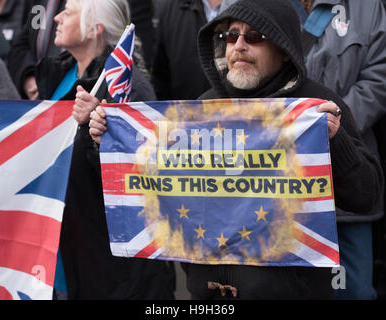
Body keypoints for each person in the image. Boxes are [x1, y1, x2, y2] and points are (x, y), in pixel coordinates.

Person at [90, 0, 383, 299]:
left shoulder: (317, 106)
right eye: (230, 37)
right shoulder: (200, 110)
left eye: (254, 37)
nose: (239, 45)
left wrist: (336, 141)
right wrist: (112, 140)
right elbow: (159, 186)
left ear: (283, 50)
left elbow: (367, 197)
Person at [35, 0, 175, 299]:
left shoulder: (129, 87)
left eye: (68, 13)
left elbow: (142, 176)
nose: (56, 17)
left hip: (113, 269)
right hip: (64, 250)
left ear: (95, 29)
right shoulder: (58, 73)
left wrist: (99, 131)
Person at [295, 0, 386, 300]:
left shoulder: (367, 6)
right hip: (279, 182)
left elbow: (378, 78)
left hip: (346, 177)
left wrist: (332, 128)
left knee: (353, 290)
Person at [151, 0, 223, 100]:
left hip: (240, 112)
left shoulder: (248, 6)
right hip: (180, 112)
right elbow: (159, 78)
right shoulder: (168, 7)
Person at [7, 0, 65, 100]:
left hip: (72, 90)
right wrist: (29, 78)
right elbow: (24, 43)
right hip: (39, 92)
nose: (57, 19)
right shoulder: (43, 4)